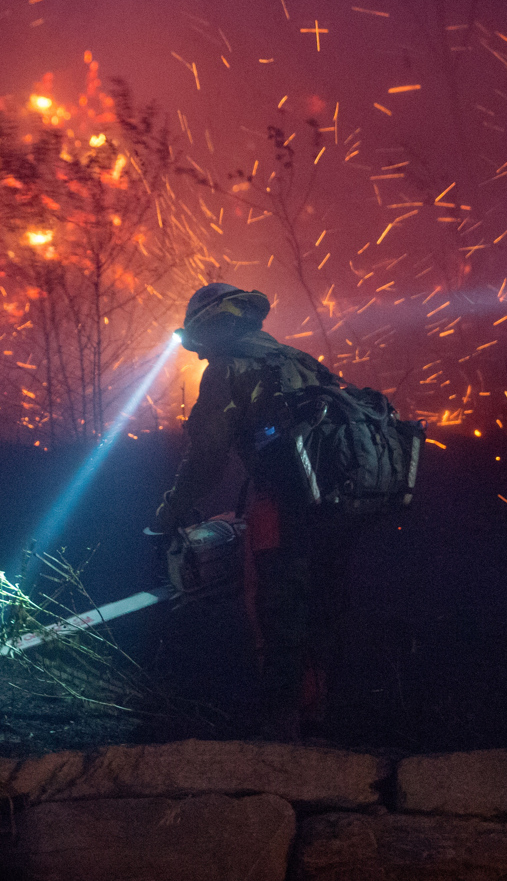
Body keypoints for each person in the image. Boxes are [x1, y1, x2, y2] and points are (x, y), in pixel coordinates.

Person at [155, 282, 357, 741]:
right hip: (337, 507)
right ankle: (320, 717)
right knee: (322, 607)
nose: (199, 352)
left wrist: (169, 512)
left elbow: (206, 458)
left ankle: (280, 730)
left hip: (282, 505)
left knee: (275, 610)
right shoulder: (297, 360)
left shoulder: (229, 367)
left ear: (208, 326)